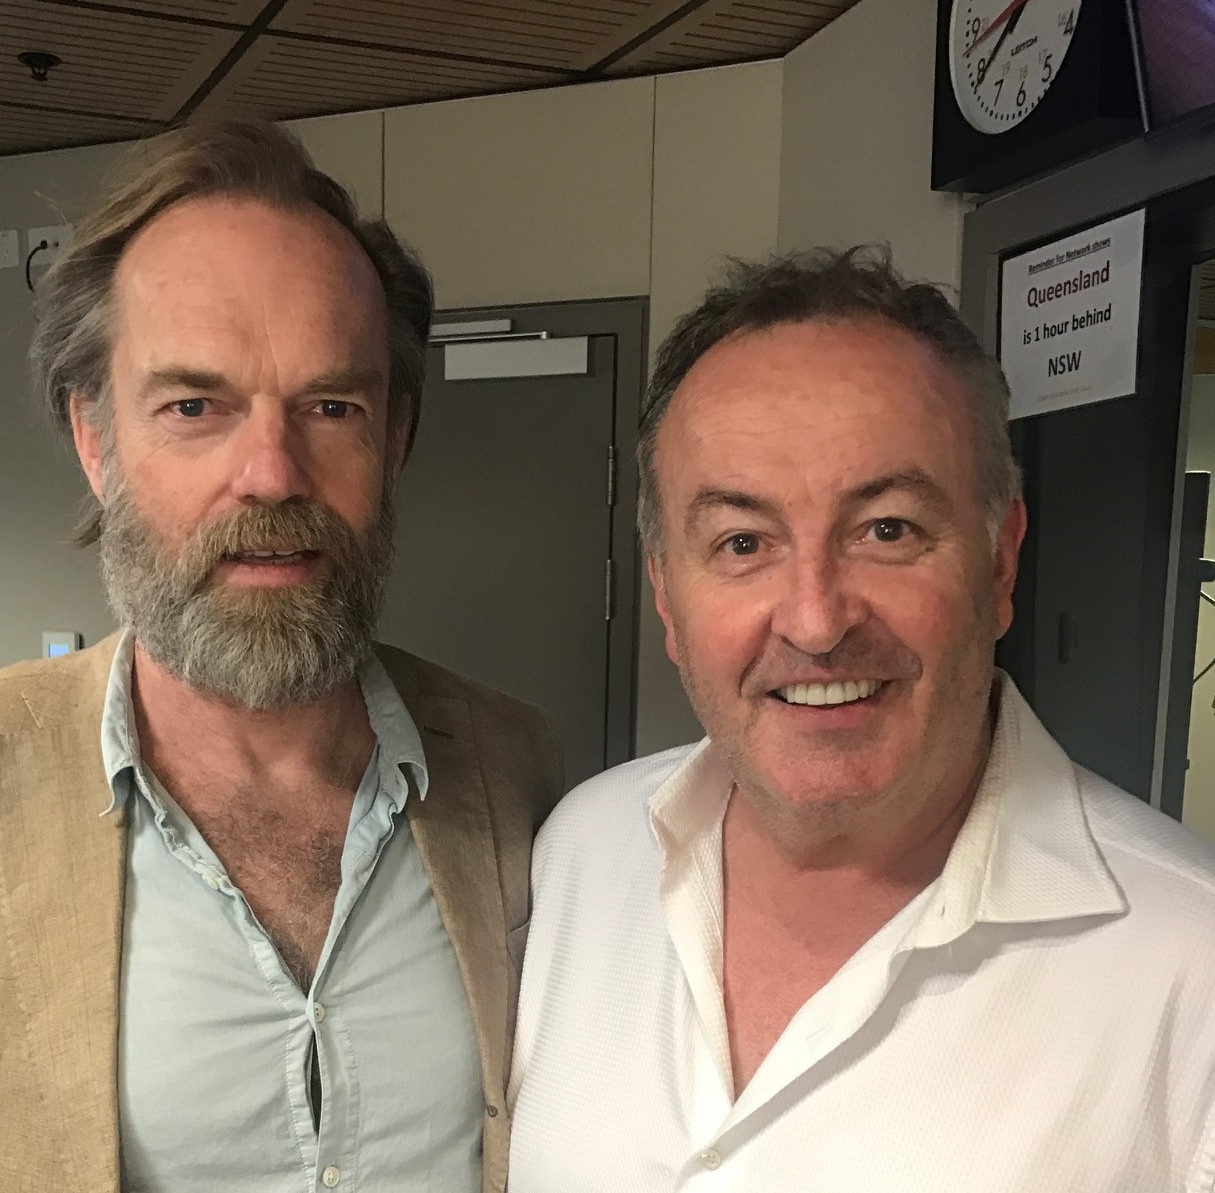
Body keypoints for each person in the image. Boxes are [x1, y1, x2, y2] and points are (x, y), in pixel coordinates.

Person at [0, 120, 562, 1192]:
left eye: (331, 405)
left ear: (393, 439)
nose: (271, 473)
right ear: (95, 437)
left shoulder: (510, 766)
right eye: (195, 406)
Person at [507, 247, 1215, 1192]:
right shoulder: (580, 855)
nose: (816, 619)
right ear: (667, 596)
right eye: (742, 542)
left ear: (1000, 563)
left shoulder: (1191, 970)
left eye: (888, 530)